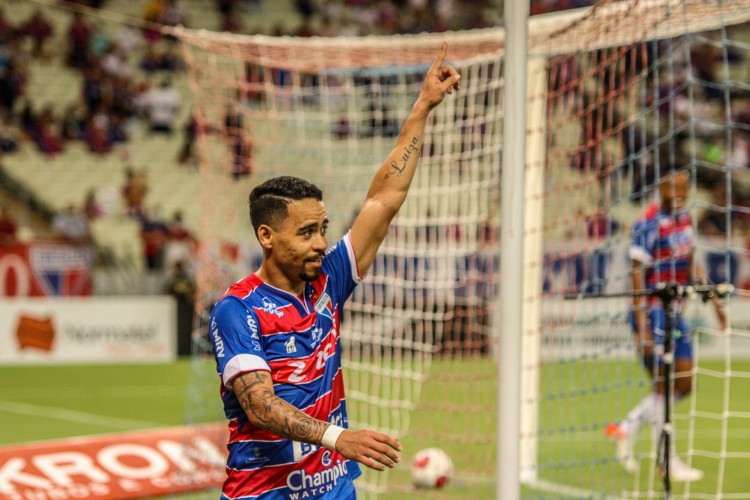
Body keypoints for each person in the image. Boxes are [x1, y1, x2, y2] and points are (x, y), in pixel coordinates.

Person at [208, 42, 460, 499]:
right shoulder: (237, 308)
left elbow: (383, 200)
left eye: (323, 229)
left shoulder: (328, 278)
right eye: (306, 232)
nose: (322, 242)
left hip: (333, 488)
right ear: (267, 237)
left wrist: (422, 107)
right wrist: (337, 438)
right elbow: (261, 406)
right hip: (264, 493)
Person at [606, 169, 728, 481]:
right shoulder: (648, 221)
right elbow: (636, 274)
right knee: (663, 386)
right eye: (672, 187)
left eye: (683, 188)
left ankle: (627, 427)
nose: (677, 193)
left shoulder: (684, 219)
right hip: (654, 313)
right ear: (660, 188)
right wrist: (641, 324)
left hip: (677, 312)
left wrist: (714, 302)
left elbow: (691, 263)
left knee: (684, 383)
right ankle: (666, 460)